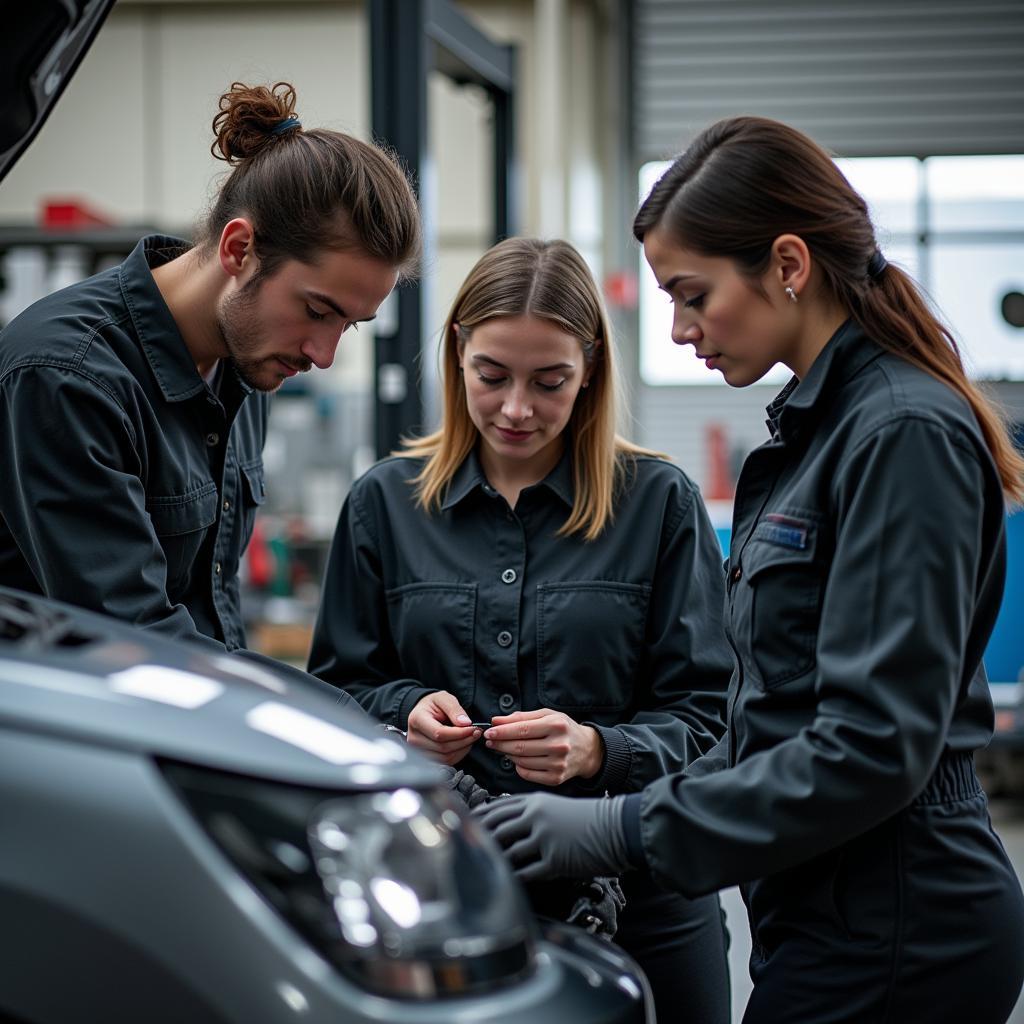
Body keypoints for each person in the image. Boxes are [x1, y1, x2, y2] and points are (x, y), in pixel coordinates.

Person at [476, 116, 1024, 1023]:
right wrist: (631, 791)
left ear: (789, 264)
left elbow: (872, 745)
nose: (682, 328)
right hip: (823, 910)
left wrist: (618, 828)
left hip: (900, 927)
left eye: (693, 294)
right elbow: (771, 720)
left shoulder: (899, 434)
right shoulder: (817, 434)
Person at [308, 237, 733, 1022]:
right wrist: (404, 714)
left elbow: (713, 720)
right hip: (441, 896)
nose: (516, 409)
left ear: (592, 370)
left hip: (642, 900)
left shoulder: (660, 503)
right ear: (457, 355)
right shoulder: (384, 505)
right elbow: (334, 693)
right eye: (492, 377)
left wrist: (601, 750)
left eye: (550, 382)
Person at [0, 82, 420, 672]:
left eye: (348, 326)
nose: (322, 354)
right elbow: (137, 639)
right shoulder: (68, 376)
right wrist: (356, 723)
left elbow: (214, 619)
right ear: (239, 248)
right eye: (318, 311)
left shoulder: (247, 370)